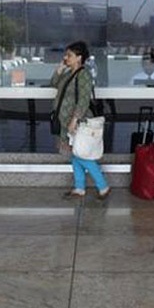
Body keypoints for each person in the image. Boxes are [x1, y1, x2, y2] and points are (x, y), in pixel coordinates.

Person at [51, 40, 110, 200]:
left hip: (78, 122)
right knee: (75, 154)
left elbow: (83, 100)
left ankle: (102, 186)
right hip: (67, 121)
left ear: (79, 57)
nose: (66, 58)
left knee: (81, 155)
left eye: (69, 55)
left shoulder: (84, 75)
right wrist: (60, 69)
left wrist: (74, 120)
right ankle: (79, 187)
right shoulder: (67, 73)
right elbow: (53, 83)